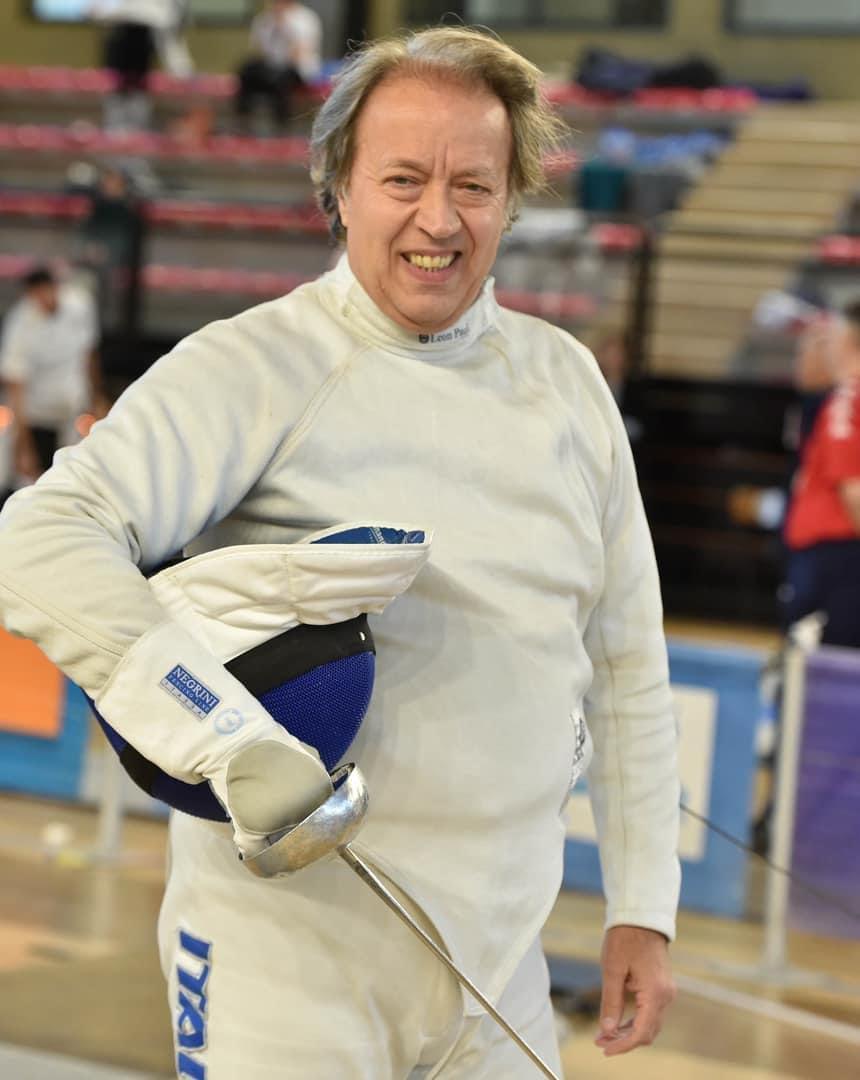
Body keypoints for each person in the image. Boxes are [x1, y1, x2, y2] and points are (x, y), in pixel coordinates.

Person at [0, 27, 679, 1078]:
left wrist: (644, 905)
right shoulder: (255, 366)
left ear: (511, 200)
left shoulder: (567, 385)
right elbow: (38, 535)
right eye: (403, 180)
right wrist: (216, 729)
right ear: (340, 189)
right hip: (285, 967)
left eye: (473, 186)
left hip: (498, 968)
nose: (438, 220)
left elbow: (627, 664)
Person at [783, 298, 860, 647]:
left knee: (813, 669)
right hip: (833, 558)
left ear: (845, 341)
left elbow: (853, 490)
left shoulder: (847, 399)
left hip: (834, 561)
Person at [0, 267, 101, 482]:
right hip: (33, 414)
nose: (42, 300)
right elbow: (15, 385)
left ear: (55, 288)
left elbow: (89, 354)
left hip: (71, 409)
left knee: (74, 476)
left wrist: (97, 398)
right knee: (24, 480)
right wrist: (23, 445)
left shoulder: (79, 305)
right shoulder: (20, 324)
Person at [90, 0, 194, 131]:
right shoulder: (132, 15)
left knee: (133, 117)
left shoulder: (159, 15)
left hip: (137, 84)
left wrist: (182, 72)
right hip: (120, 83)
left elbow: (170, 42)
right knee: (119, 117)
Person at [235, 0, 322, 134]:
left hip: (296, 69)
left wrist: (283, 27)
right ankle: (243, 123)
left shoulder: (305, 18)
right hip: (270, 67)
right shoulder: (264, 19)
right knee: (247, 72)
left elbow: (299, 53)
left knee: (280, 80)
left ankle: (282, 128)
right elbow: (258, 51)